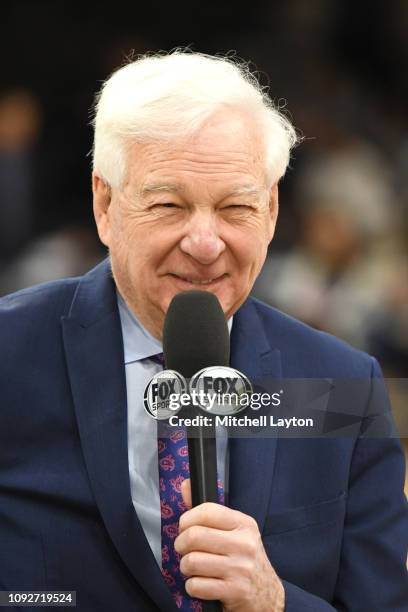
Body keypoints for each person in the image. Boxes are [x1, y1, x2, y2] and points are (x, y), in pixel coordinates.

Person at [0, 51, 406, 612]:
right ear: (104, 204)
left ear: (270, 211)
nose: (205, 243)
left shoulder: (339, 386)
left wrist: (274, 601)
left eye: (235, 207)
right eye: (169, 205)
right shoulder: (9, 356)